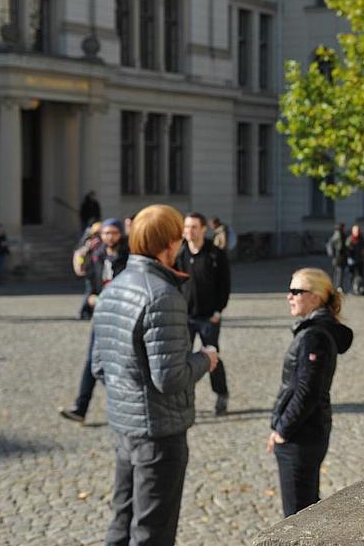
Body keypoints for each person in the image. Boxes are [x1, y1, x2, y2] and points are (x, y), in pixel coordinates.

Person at [91, 204, 217, 546]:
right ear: (170, 244)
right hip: (159, 433)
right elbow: (169, 378)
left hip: (125, 426)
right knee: (152, 532)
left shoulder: (112, 288)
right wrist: (205, 360)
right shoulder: (163, 295)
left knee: (121, 522)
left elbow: (98, 366)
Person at [268, 268, 354, 516]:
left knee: (297, 516)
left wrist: (282, 430)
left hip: (301, 436)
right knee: (307, 509)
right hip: (306, 432)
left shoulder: (314, 336)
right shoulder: (313, 330)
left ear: (315, 297)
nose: (289, 296)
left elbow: (308, 391)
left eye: (296, 291)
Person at [59, 219, 129, 423]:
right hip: (101, 315)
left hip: (122, 316)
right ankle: (80, 408)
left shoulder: (128, 257)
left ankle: (128, 402)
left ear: (121, 234)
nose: (110, 237)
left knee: (124, 362)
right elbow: (84, 273)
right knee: (92, 361)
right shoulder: (97, 255)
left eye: (114, 233)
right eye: (106, 233)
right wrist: (90, 296)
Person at [175, 212, 232, 416]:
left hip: (209, 317)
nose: (189, 231)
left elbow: (225, 284)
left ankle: (221, 393)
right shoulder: (180, 253)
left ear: (203, 229)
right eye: (186, 227)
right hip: (185, 317)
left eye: (193, 227)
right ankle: (184, 399)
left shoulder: (215, 253)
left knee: (212, 357)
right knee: (183, 359)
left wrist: (218, 310)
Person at [326, 223, 349, 292]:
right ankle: (338, 287)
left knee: (336, 273)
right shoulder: (339, 235)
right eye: (344, 227)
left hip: (337, 258)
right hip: (339, 258)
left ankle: (336, 287)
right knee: (339, 273)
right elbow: (340, 247)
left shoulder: (336, 234)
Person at [344, 224, 364, 294]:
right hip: (352, 260)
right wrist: (350, 251)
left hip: (360, 259)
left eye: (358, 231)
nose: (357, 232)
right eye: (355, 231)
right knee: (351, 275)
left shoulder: (361, 239)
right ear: (352, 231)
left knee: (361, 275)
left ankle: (361, 289)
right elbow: (346, 249)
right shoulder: (350, 239)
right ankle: (351, 289)